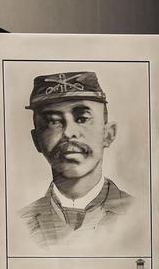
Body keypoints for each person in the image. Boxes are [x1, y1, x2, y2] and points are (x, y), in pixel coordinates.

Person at [19, 71, 135, 249]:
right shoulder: (19, 224)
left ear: (108, 134)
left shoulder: (138, 214)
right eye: (53, 122)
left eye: (82, 118)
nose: (68, 132)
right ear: (37, 140)